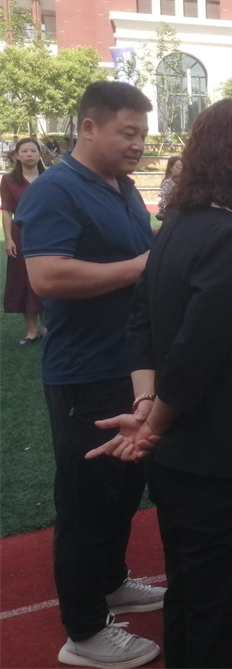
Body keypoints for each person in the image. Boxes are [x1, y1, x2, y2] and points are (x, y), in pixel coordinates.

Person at [87, 99, 232, 667]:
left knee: (189, 596)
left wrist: (146, 405)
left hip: (183, 457)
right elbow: (195, 352)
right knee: (219, 611)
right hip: (222, 457)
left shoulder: (178, 224)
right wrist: (152, 423)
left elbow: (144, 326)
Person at [17, 81, 164, 669]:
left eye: (142, 135)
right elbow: (47, 277)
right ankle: (83, 630)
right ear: (88, 127)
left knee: (123, 488)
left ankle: (110, 582)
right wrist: (140, 267)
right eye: (127, 133)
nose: (137, 145)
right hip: (85, 372)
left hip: (128, 365)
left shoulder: (122, 187)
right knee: (86, 499)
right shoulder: (55, 190)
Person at [2, 137, 46, 345]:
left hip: (48, 235)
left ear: (39, 154)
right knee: (23, 281)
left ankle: (48, 328)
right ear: (17, 156)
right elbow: (7, 210)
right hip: (21, 236)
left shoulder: (50, 177)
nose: (29, 154)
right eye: (24, 151)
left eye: (33, 151)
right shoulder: (9, 180)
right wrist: (8, 239)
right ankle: (31, 331)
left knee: (46, 280)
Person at [156, 155, 182, 222]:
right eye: (179, 166)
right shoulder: (168, 182)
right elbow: (167, 200)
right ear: (171, 168)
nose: (182, 169)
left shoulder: (184, 181)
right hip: (172, 214)